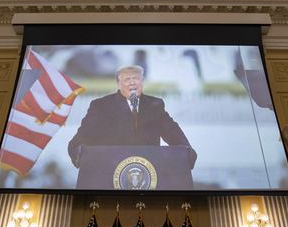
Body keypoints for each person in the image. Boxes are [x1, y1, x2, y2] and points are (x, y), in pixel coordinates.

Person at [67, 65, 197, 169]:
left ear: (142, 82)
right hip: (109, 174)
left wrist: (186, 151)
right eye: (127, 80)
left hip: (149, 175)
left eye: (136, 79)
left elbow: (173, 132)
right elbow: (80, 139)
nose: (132, 83)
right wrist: (78, 150)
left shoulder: (155, 106)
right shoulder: (100, 106)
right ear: (118, 85)